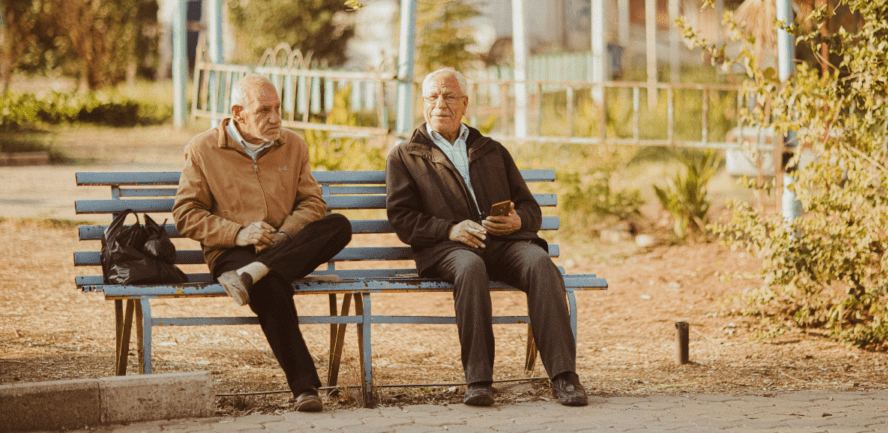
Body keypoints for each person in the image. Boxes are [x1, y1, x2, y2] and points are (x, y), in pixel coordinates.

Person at [385, 67, 588, 407]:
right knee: (470, 268)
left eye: (449, 96)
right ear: (423, 103)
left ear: (464, 103)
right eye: (432, 97)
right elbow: (403, 219)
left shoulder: (490, 149)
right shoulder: (405, 155)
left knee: (540, 264)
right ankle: (478, 381)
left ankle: (564, 376)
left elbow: (530, 208)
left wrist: (516, 220)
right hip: (446, 248)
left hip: (502, 245)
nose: (440, 104)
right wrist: (450, 229)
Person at [172, 74, 351, 413]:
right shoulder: (203, 148)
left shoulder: (293, 145)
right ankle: (305, 388)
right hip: (231, 252)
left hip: (283, 244)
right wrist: (238, 233)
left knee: (339, 225)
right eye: (264, 110)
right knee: (271, 287)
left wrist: (284, 235)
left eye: (278, 109)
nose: (275, 119)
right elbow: (186, 213)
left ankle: (256, 272)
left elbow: (313, 203)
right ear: (238, 113)